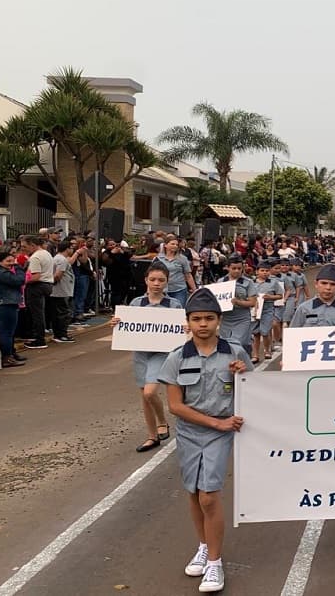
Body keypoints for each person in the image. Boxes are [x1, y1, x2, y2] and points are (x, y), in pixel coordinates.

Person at [158, 288, 253, 593]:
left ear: (218, 320)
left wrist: (243, 374)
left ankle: (214, 563)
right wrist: (215, 421)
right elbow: (175, 406)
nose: (203, 324)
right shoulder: (176, 358)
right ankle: (203, 545)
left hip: (220, 434)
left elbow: (256, 390)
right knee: (193, 492)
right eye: (196, 318)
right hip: (190, 433)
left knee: (209, 495)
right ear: (188, 322)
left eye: (209, 318)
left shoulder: (235, 352)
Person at [111, 262, 183, 452]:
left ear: (167, 282)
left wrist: (185, 328)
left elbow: (181, 329)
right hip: (141, 353)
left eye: (161, 280)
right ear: (146, 281)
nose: (157, 283)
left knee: (150, 392)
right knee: (144, 395)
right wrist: (116, 322)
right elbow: (127, 325)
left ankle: (162, 421)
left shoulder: (173, 305)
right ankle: (152, 436)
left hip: (162, 353)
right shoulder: (136, 302)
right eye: (153, 279)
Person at [289, 264, 335, 364]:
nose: (328, 288)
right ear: (316, 284)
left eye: (333, 284)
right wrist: (288, 358)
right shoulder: (304, 308)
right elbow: (293, 336)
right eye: (324, 283)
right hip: (310, 361)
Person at [218, 255, 256, 356]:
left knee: (239, 343)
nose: (236, 271)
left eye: (239, 268)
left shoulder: (248, 282)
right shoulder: (221, 282)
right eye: (233, 268)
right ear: (228, 268)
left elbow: (252, 303)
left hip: (242, 318)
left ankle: (245, 357)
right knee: (225, 344)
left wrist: (238, 302)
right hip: (226, 318)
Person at [247, 261, 283, 364]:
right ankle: (255, 355)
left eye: (267, 271)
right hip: (254, 310)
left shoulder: (273, 282)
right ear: (257, 272)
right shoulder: (251, 282)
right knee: (255, 333)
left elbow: (280, 295)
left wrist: (270, 297)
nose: (265, 273)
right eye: (262, 271)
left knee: (265, 331)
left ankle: (267, 350)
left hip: (267, 309)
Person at [22, 236, 54, 349]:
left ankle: (39, 339)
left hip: (37, 286)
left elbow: (35, 276)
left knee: (36, 313)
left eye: (25, 247)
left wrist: (21, 281)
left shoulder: (35, 257)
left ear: (32, 245)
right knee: (40, 312)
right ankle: (38, 336)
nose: (24, 249)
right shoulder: (46, 253)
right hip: (47, 284)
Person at [157, 236, 198, 307]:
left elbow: (188, 275)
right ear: (166, 245)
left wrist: (194, 290)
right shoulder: (158, 258)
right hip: (163, 290)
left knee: (178, 310)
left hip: (179, 289)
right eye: (172, 244)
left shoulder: (182, 259)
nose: (175, 246)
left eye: (176, 245)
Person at [48, 240, 75, 344]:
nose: (72, 250)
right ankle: (61, 334)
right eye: (71, 248)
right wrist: (53, 282)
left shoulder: (58, 258)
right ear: (67, 248)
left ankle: (59, 334)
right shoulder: (62, 260)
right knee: (63, 313)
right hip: (61, 290)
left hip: (61, 290)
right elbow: (58, 275)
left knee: (59, 313)